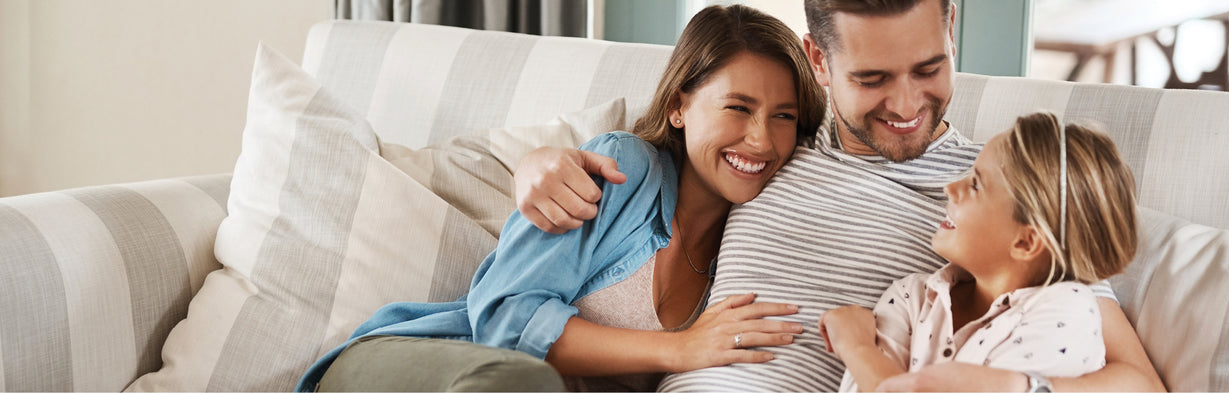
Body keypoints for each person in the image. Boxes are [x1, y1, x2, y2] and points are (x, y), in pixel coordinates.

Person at [511, 0, 1167, 391]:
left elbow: (1134, 379)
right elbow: (657, 159)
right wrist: (533, 165)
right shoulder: (766, 151)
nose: (908, 103)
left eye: (929, 69)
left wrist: (1004, 386)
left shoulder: (998, 194)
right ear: (819, 63)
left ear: (951, 31)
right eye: (874, 78)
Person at [295, 4, 827, 392]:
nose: (761, 139)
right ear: (678, 107)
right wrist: (680, 349)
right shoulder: (624, 170)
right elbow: (503, 320)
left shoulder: (754, 246)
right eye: (737, 107)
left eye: (784, 116)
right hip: (430, 365)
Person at [819, 112, 1139, 392]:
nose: (950, 189)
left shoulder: (1066, 311)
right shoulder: (911, 297)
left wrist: (857, 346)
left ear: (1025, 243)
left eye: (975, 185)